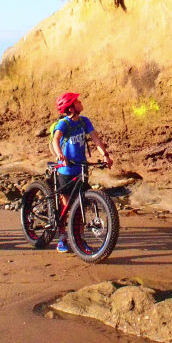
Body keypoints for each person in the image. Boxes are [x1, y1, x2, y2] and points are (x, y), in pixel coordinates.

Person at [50, 92, 112, 253]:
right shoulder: (64, 124)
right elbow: (56, 140)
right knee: (67, 206)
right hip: (66, 170)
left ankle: (79, 239)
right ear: (71, 107)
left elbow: (96, 139)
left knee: (81, 206)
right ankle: (63, 238)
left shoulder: (84, 121)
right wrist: (60, 156)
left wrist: (105, 156)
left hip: (81, 168)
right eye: (77, 101)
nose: (80, 102)